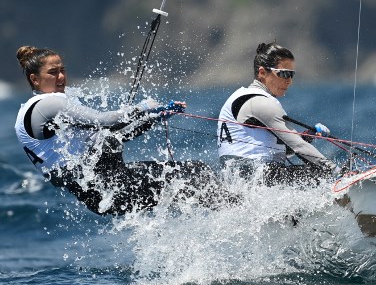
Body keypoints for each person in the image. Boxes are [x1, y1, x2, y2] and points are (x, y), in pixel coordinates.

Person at [15, 46, 225, 215]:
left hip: (105, 191)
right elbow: (106, 121)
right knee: (196, 175)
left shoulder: (40, 112)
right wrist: (144, 107)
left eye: (62, 70)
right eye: (53, 72)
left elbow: (115, 134)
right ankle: (238, 211)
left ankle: (230, 213)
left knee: (192, 179)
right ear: (35, 79)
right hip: (107, 188)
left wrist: (156, 117)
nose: (61, 77)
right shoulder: (47, 105)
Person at [217, 42, 338, 185]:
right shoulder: (261, 102)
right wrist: (336, 172)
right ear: (262, 73)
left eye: (292, 75)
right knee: (324, 174)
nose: (289, 81)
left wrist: (306, 137)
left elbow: (279, 149)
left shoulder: (242, 96)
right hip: (259, 177)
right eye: (284, 74)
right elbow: (298, 147)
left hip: (239, 181)